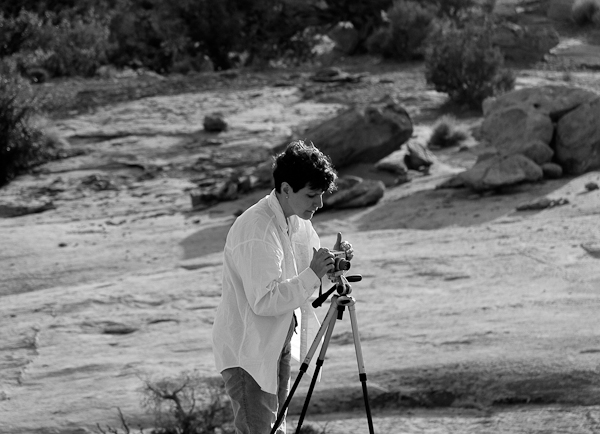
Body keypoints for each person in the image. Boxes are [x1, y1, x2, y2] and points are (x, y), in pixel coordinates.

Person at [211, 140, 353, 434]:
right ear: (286, 189)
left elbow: (310, 273)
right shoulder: (257, 229)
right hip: (248, 351)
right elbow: (265, 300)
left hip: (278, 341)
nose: (320, 203)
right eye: (312, 195)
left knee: (278, 429)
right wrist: (314, 272)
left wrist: (333, 260)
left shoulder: (297, 221)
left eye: (322, 194)